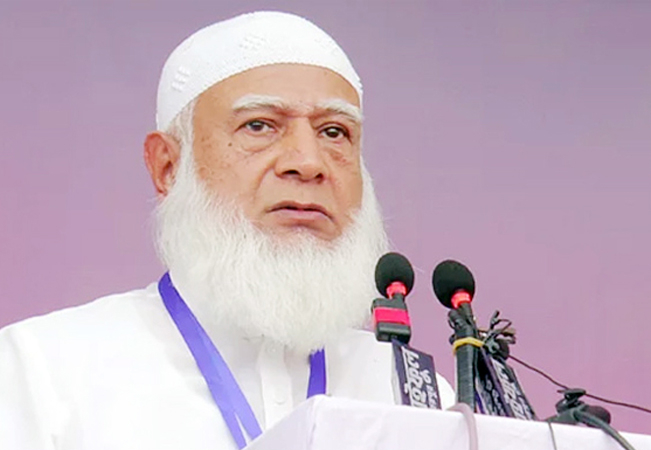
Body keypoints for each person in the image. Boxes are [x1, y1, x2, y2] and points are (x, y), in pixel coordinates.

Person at [0, 11, 453, 449]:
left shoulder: (411, 396)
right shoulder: (43, 374)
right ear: (168, 167)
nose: (308, 162)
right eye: (259, 125)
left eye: (334, 132)